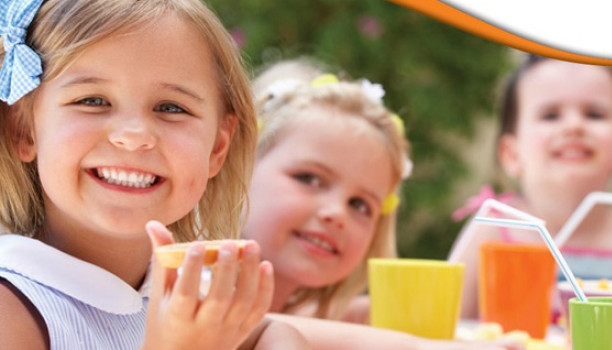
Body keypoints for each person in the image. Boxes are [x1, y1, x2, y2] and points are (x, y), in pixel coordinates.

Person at [0, 0, 311, 349]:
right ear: (24, 130)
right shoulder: (11, 306)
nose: (133, 136)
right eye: (92, 100)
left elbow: (271, 332)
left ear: (217, 148)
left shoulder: (189, 293)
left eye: (170, 108)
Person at [242, 58, 525, 350]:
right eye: (309, 178)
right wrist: (418, 346)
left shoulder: (307, 314)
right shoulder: (198, 282)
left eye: (360, 205)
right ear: (238, 166)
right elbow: (257, 325)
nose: (337, 213)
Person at [449, 54, 612, 320]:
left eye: (594, 114)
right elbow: (442, 328)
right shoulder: (493, 231)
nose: (574, 126)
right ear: (511, 154)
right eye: (550, 115)